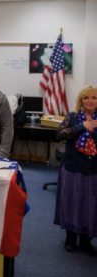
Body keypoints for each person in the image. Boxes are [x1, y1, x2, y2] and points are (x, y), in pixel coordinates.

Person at [54, 85, 97, 256]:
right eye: (86, 97)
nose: (90, 101)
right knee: (71, 202)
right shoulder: (72, 117)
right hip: (72, 168)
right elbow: (60, 134)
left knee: (90, 205)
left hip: (93, 170)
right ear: (81, 100)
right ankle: (70, 238)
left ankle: (86, 240)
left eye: (94, 97)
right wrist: (83, 126)